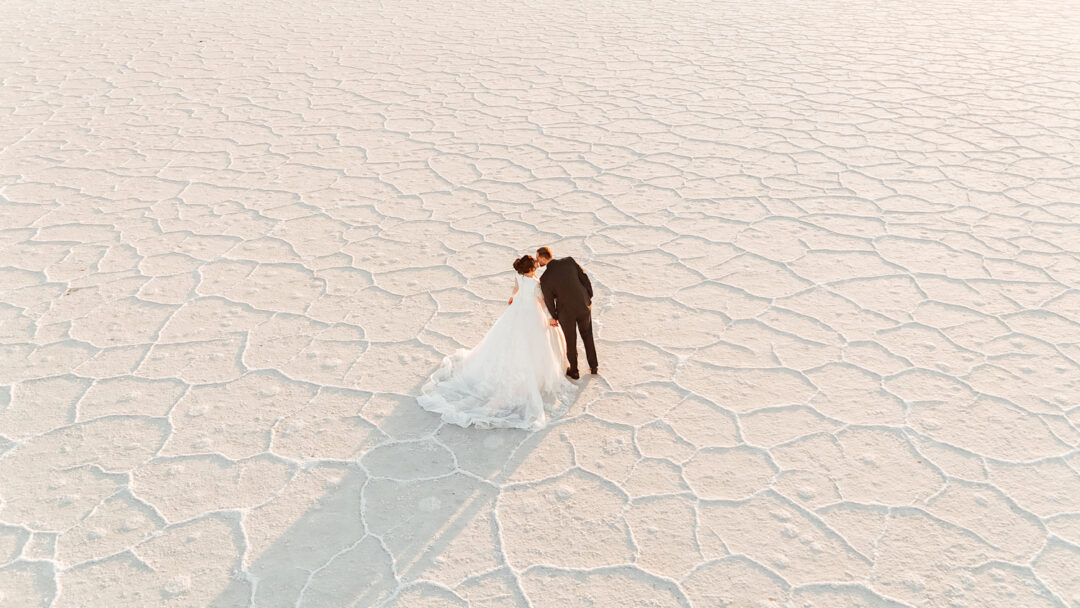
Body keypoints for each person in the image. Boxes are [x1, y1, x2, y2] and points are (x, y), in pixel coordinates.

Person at [417, 255, 575, 430]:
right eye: (535, 264)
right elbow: (542, 302)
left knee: (508, 340)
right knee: (532, 344)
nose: (537, 265)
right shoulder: (535, 284)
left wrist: (512, 297)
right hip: (530, 315)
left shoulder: (519, 277)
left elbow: (516, 289)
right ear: (531, 269)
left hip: (517, 311)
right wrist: (550, 317)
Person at [536, 247, 598, 379]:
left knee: (570, 341)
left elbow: (549, 300)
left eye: (537, 258)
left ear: (542, 258)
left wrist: (555, 316)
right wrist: (588, 296)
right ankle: (593, 366)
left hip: (566, 313)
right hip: (583, 306)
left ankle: (574, 371)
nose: (537, 261)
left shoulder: (545, 279)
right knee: (587, 335)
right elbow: (584, 278)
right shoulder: (569, 262)